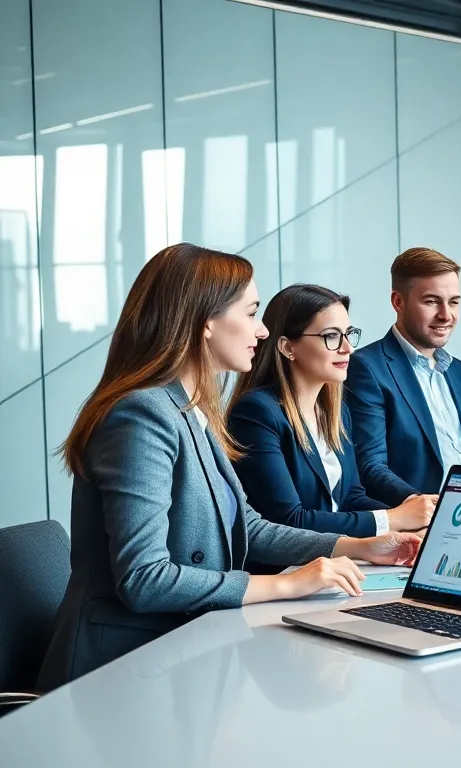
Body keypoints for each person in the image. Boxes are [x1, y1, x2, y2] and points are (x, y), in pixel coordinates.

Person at [39, 244, 421, 688]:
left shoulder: (191, 409)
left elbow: (249, 528)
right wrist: (286, 585)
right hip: (121, 667)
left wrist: (358, 546)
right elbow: (145, 579)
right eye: (252, 312)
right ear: (206, 321)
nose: (262, 330)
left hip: (180, 650)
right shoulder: (141, 416)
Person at [228, 284, 437, 539]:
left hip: (338, 555)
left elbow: (351, 497)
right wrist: (393, 519)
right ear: (287, 347)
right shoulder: (256, 413)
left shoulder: (336, 412)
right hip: (287, 562)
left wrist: (410, 526)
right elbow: (289, 519)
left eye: (348, 334)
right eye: (331, 336)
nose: (348, 348)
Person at [346, 247, 461, 506]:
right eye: (431, 301)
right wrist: (422, 505)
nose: (446, 315)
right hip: (412, 519)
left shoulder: (459, 372)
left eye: (453, 302)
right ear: (398, 302)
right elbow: (370, 465)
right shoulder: (366, 368)